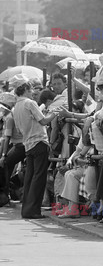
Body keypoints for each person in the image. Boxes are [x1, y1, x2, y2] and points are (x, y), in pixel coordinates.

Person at [11, 75, 62, 219]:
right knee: (38, 178)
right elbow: (44, 121)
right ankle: (33, 211)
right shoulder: (29, 103)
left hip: (28, 143)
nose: (32, 91)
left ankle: (27, 210)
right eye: (30, 88)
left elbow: (21, 129)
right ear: (26, 89)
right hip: (39, 142)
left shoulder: (16, 106)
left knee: (30, 177)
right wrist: (55, 113)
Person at [0, 92, 23, 207]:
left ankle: (5, 195)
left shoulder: (9, 118)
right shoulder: (9, 116)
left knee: (5, 165)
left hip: (20, 146)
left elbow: (7, 138)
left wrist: (3, 155)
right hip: (18, 145)